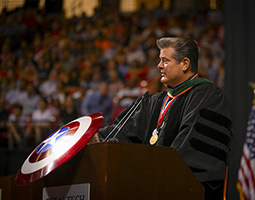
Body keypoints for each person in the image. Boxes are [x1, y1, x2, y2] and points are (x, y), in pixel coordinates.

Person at [94, 37, 232, 200]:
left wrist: (147, 174)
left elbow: (190, 156)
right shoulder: (152, 102)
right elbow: (120, 134)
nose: (159, 65)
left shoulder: (207, 96)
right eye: (160, 60)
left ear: (185, 64)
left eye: (165, 61)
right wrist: (92, 138)